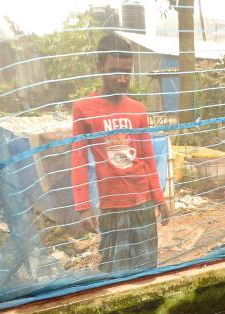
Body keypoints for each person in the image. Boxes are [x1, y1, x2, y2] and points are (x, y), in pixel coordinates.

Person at [71, 33, 170, 273]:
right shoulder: (84, 109)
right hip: (111, 205)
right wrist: (83, 206)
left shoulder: (137, 110)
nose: (122, 78)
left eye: (127, 71)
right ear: (99, 67)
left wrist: (159, 199)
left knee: (146, 264)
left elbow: (147, 158)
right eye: (115, 70)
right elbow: (79, 159)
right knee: (113, 267)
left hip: (142, 203)